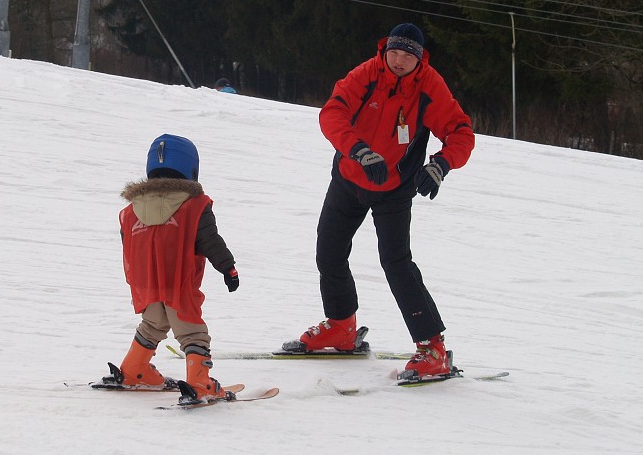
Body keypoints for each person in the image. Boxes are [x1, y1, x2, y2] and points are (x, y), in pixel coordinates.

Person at [286, 23, 475, 378]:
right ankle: (341, 326)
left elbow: (460, 132)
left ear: (419, 60)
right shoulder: (367, 74)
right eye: (395, 52)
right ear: (384, 51)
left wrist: (441, 164)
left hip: (395, 187)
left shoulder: (428, 86)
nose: (399, 60)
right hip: (350, 177)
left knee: (396, 262)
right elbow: (332, 112)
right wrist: (358, 151)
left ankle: (432, 347)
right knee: (329, 249)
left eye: (408, 55)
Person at [107, 134, 240, 400]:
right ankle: (200, 383)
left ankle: (134, 369)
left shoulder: (132, 209)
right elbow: (209, 241)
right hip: (178, 281)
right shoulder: (194, 205)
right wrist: (228, 268)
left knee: (153, 322)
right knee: (191, 330)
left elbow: (128, 245)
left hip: (146, 281)